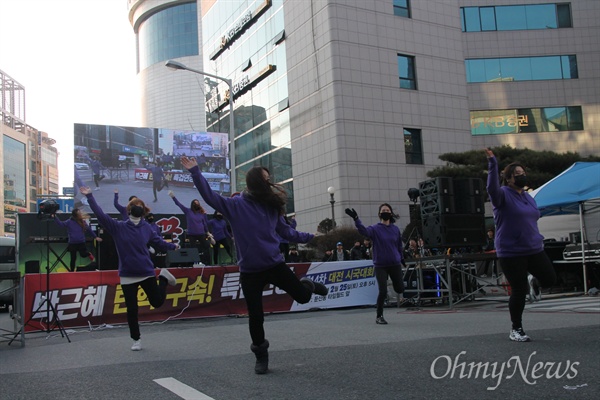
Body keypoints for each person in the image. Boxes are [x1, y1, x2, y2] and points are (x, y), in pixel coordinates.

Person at [180, 156, 328, 374]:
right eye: (265, 179)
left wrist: (310, 237)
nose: (269, 183)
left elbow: (286, 232)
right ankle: (261, 355)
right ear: (255, 183)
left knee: (304, 297)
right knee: (255, 316)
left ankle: (308, 285)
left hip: (274, 264)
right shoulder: (235, 205)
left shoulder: (271, 207)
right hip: (250, 271)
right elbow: (209, 196)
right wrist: (195, 172)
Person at [80, 186, 179, 351]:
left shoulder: (147, 228)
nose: (137, 206)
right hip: (127, 274)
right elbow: (100, 215)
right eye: (134, 204)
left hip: (146, 271)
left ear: (143, 210)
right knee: (132, 309)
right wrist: (90, 196)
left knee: (157, 302)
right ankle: (136, 339)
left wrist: (173, 246)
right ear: (129, 209)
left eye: (140, 204)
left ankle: (162, 278)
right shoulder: (118, 227)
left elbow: (159, 243)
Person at [485, 148, 556, 342]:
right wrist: (492, 164)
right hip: (511, 251)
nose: (522, 176)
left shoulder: (528, 197)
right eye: (517, 175)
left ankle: (533, 279)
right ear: (508, 179)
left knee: (550, 279)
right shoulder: (501, 196)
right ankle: (516, 329)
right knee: (518, 291)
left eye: (523, 173)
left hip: (534, 248)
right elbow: (491, 188)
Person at [346, 204, 405, 325]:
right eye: (383, 210)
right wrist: (356, 218)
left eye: (388, 210)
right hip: (380, 265)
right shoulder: (375, 229)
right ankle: (379, 316)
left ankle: (396, 284)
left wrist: (402, 257)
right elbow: (363, 231)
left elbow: (399, 245)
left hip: (395, 263)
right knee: (382, 290)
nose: (385, 212)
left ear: (391, 213)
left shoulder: (395, 229)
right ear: (379, 214)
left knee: (400, 289)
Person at [169, 191, 211, 266]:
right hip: (192, 234)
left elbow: (205, 223)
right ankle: (194, 263)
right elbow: (179, 204)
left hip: (201, 233)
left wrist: (207, 232)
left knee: (206, 246)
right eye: (195, 203)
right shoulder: (188, 211)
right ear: (192, 204)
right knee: (193, 249)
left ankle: (206, 262)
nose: (197, 204)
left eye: (198, 203)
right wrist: (173, 197)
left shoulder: (201, 213)